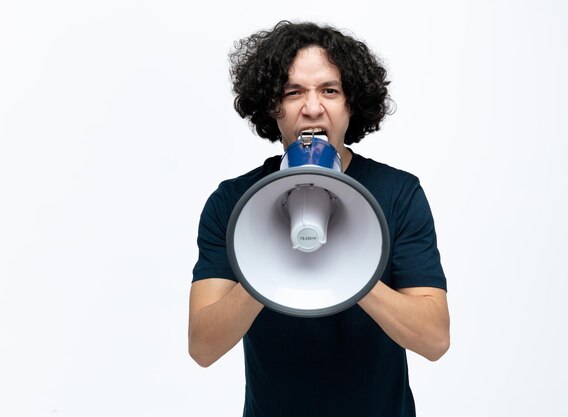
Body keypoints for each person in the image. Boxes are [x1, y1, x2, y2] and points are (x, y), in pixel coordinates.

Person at [188, 20, 450, 417]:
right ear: (272, 106)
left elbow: (434, 339)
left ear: (351, 104)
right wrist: (268, 266)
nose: (312, 108)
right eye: (294, 93)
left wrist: (350, 270)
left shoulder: (399, 193)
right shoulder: (232, 202)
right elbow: (202, 347)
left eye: (330, 90)